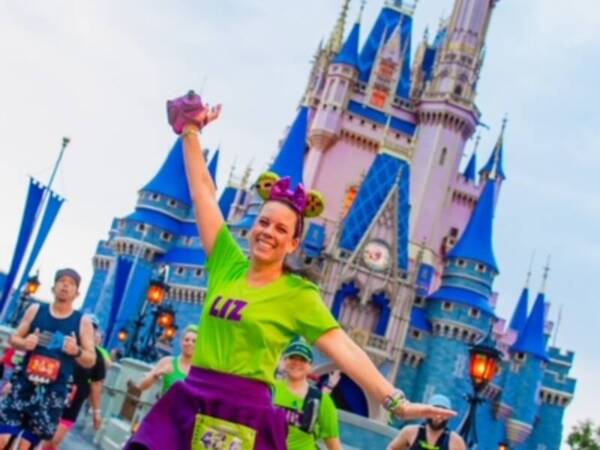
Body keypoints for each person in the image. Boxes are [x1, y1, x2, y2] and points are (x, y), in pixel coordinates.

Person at [125, 91, 455, 450]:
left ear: (294, 243)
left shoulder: (298, 294)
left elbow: (345, 348)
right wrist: (190, 130)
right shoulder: (226, 262)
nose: (268, 232)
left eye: (282, 229)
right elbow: (204, 192)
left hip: (242, 416)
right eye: (264, 223)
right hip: (191, 397)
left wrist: (395, 401)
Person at [0, 268, 96, 450]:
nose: (65, 285)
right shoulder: (36, 310)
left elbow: (91, 360)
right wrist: (24, 342)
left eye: (71, 283)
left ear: (77, 293)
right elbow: (13, 338)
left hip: (52, 391)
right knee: (3, 438)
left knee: (25, 445)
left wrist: (76, 351)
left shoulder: (83, 322)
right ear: (53, 287)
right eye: (62, 281)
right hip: (23, 384)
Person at [41, 314, 108, 450]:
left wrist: (97, 412)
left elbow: (96, 385)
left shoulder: (97, 357)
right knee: (41, 438)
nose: (90, 331)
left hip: (73, 404)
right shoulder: (65, 344)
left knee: (53, 441)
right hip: (52, 396)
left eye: (93, 329)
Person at [274, 339, 342, 450]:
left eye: (303, 360)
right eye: (292, 357)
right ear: (284, 361)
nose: (296, 363)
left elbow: (334, 445)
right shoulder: (270, 389)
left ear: (310, 366)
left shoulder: (321, 400)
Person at [134, 325, 198, 395]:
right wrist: (155, 375)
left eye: (194, 341)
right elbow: (140, 387)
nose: (190, 343)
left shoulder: (200, 371)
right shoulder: (168, 361)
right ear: (181, 342)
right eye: (186, 340)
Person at [387, 394, 466, 450]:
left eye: (443, 413)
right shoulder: (410, 432)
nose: (438, 417)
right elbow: (393, 448)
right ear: (427, 412)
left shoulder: (456, 441)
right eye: (435, 412)